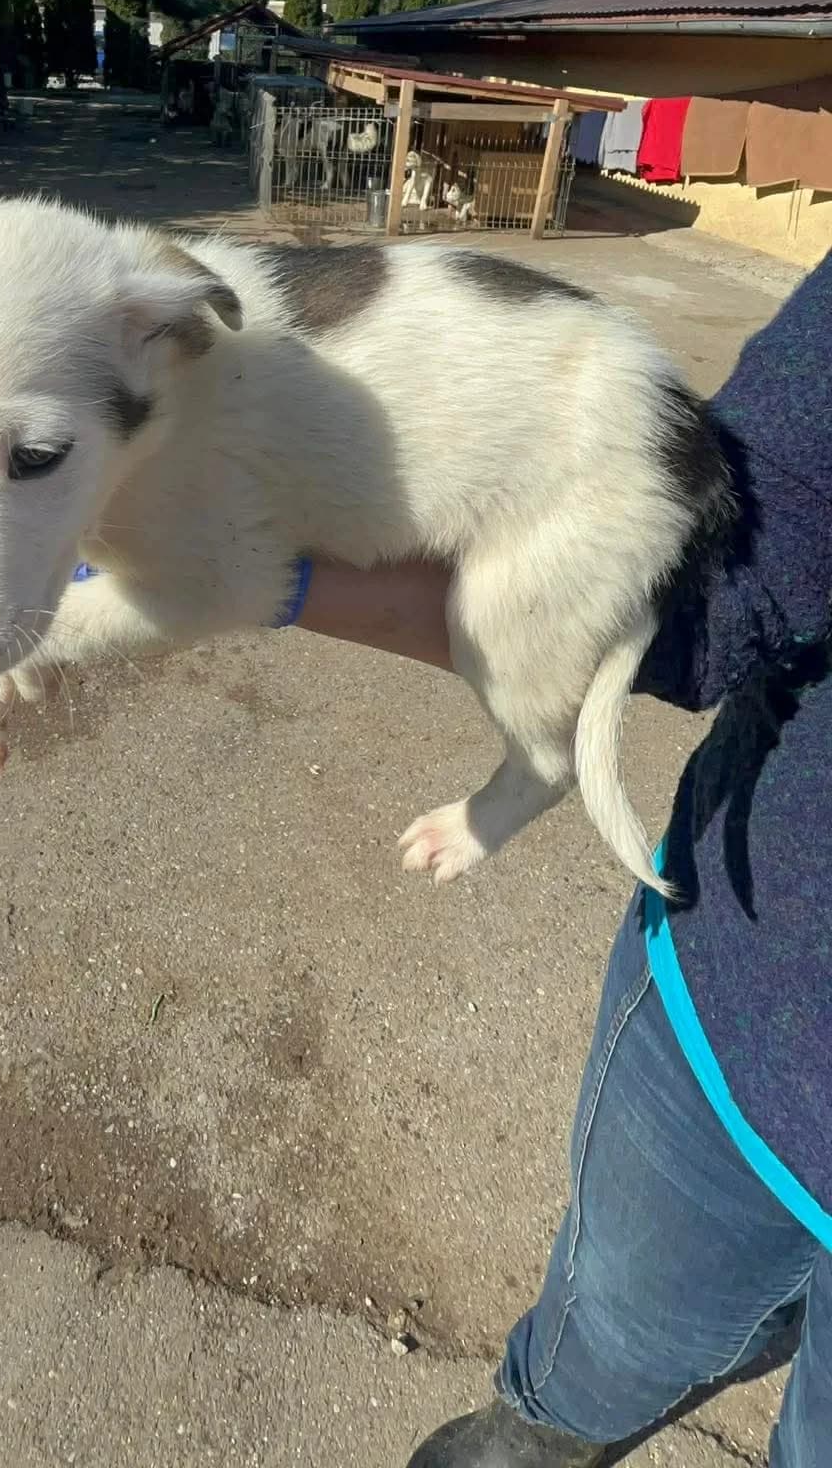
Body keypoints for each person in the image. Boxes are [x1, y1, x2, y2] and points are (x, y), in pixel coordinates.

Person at [292, 251, 832, 1468]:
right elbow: (722, 590)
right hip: (748, 1013)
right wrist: (275, 577)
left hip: (740, 982)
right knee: (598, 1345)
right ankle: (541, 1423)